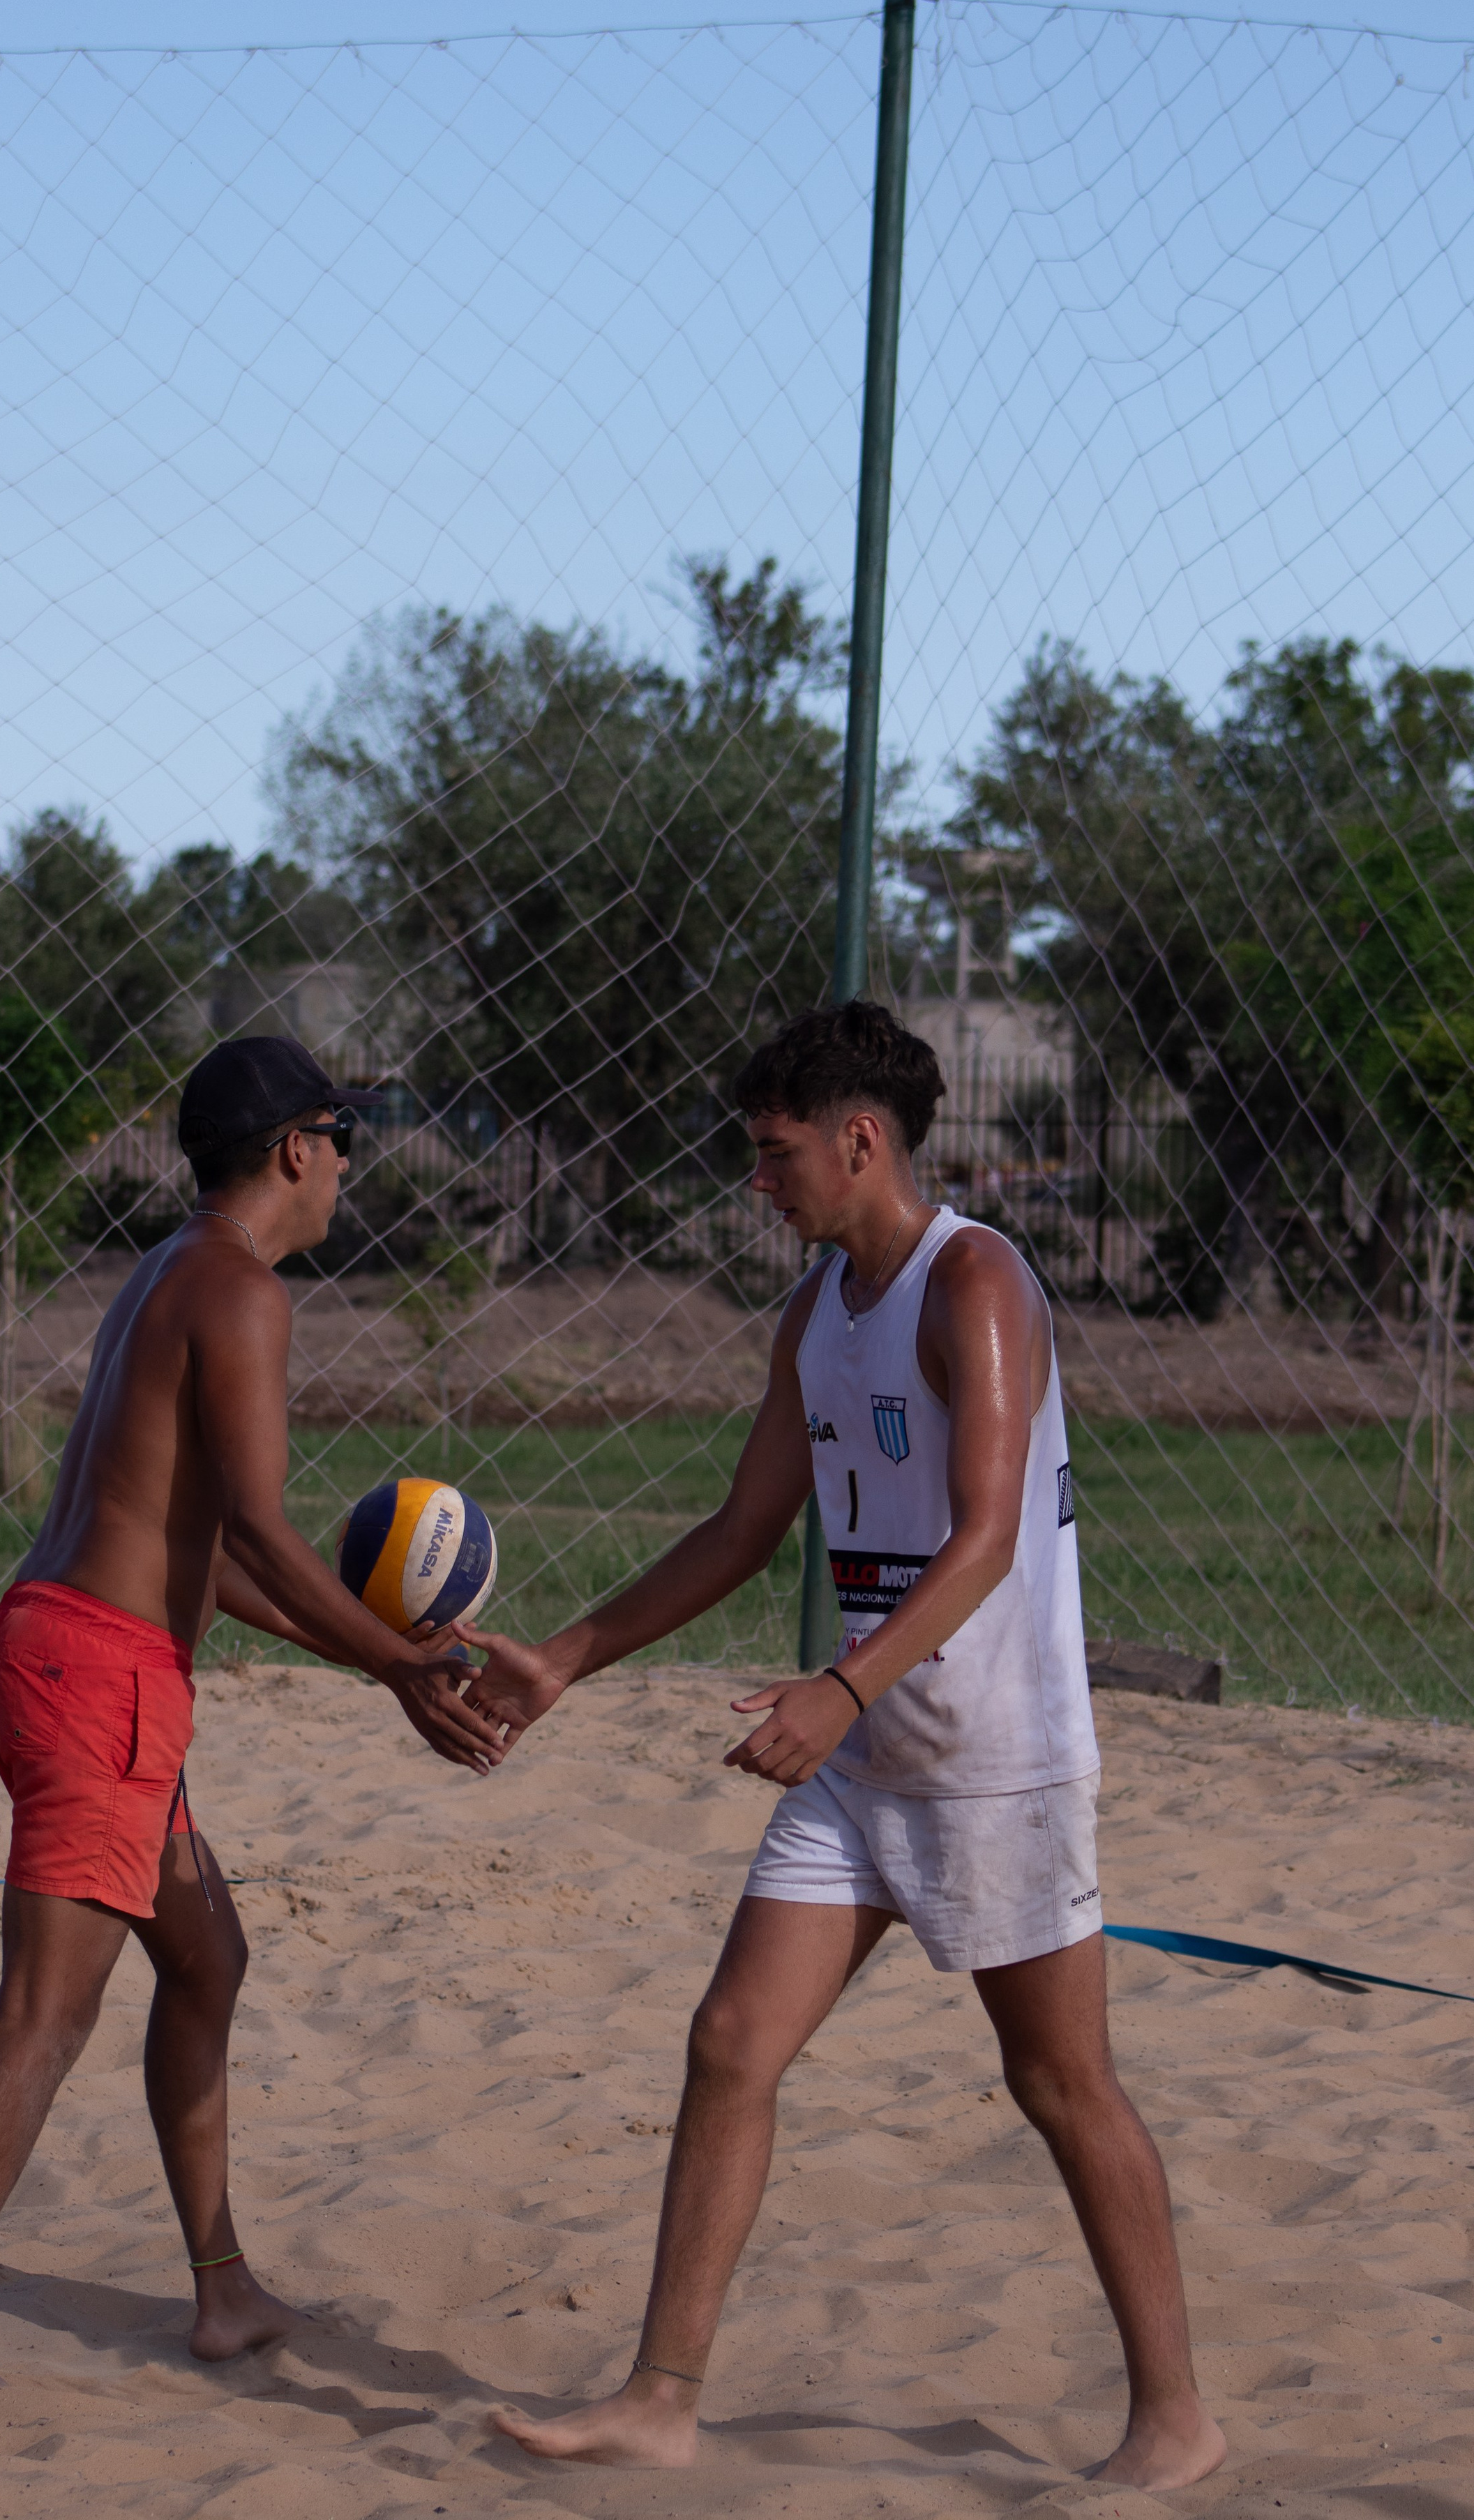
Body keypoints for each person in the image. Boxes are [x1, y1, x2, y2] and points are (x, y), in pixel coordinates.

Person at [479, 1001, 1225, 2489]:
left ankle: (1175, 2421)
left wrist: (845, 1682)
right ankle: (661, 2396)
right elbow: (747, 1531)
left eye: (774, 1155)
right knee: (729, 2043)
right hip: (861, 1760)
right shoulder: (815, 1313)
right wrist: (566, 1657)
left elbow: (988, 1532)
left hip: (994, 1760)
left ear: (858, 1141)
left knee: (1058, 2086)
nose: (758, 1184)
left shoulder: (977, 1283)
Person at [0, 1033, 526, 2390]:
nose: (345, 1168)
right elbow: (269, 1538)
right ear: (295, 1148)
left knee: (206, 1959)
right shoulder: (244, 1294)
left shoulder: (167, 1273)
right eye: (340, 1141)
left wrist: (371, 1658)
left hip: (67, 1653)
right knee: (45, 2014)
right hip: (95, 1677)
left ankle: (221, 2292)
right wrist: (405, 1671)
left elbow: (209, 1555)